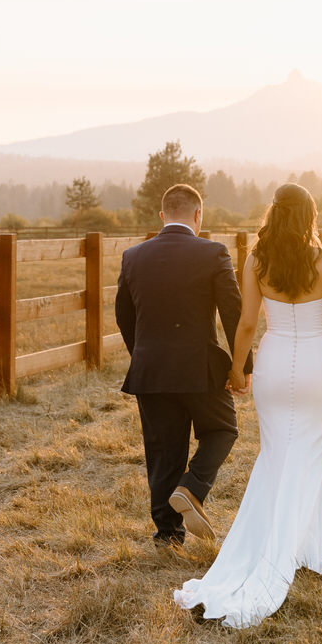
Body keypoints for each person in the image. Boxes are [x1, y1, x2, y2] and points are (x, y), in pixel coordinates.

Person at [172, 182, 322, 628]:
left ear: (274, 215)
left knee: (280, 457)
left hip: (275, 364)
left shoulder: (257, 261)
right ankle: (290, 553)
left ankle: (310, 550)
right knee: (308, 457)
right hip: (318, 366)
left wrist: (238, 371)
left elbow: (246, 324)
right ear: (309, 217)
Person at [114, 183, 251, 545]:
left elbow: (123, 316)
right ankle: (192, 487)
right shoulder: (213, 252)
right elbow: (233, 313)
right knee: (222, 429)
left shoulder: (133, 256)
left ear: (162, 216)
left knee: (162, 451)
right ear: (198, 215)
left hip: (151, 369)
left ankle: (167, 534)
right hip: (200, 368)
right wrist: (242, 367)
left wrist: (144, 355)